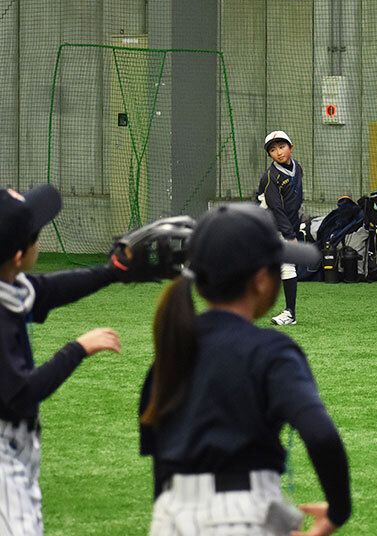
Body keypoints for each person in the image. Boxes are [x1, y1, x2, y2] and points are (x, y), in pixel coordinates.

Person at [139, 203, 351, 534]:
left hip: (170, 514)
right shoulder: (273, 351)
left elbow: (160, 461)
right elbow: (321, 435)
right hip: (243, 513)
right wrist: (338, 511)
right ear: (261, 282)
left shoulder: (170, 353)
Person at [0, 184, 122, 535]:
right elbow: (21, 392)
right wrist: (79, 348)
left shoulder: (10, 284)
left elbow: (50, 290)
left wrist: (112, 271)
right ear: (21, 255)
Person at [256, 130, 304, 326]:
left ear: (291, 147)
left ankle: (289, 313)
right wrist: (289, 234)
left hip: (283, 226)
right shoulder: (270, 176)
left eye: (282, 147)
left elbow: (295, 199)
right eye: (273, 150)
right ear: (269, 155)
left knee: (286, 266)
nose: (279, 152)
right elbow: (275, 208)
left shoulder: (297, 168)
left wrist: (295, 226)